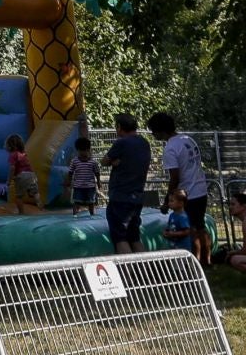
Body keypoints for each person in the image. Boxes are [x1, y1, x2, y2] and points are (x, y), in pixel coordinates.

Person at [150, 112, 213, 264]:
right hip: (201, 190)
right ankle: (207, 260)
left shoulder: (171, 148)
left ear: (161, 130)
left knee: (191, 230)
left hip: (188, 194)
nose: (153, 134)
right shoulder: (188, 140)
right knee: (200, 227)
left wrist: (167, 200)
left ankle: (195, 263)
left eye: (153, 131)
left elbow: (175, 177)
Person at [102, 113, 152, 252]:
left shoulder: (121, 143)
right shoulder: (144, 142)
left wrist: (113, 161)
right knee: (134, 237)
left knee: (120, 238)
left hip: (120, 196)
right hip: (137, 195)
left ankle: (127, 272)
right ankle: (144, 269)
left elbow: (104, 161)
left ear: (119, 127)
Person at [3, 134, 42, 214]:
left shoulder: (13, 155)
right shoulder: (24, 154)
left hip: (21, 176)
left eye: (6, 144)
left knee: (19, 196)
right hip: (31, 175)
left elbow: (12, 168)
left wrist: (9, 180)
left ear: (10, 147)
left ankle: (21, 212)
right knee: (35, 192)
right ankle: (38, 201)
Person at [68, 137, 101, 215]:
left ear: (88, 150)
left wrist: (99, 182)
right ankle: (75, 215)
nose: (83, 153)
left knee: (91, 202)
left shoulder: (93, 162)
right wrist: (69, 181)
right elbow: (70, 172)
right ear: (78, 150)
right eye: (81, 151)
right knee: (76, 201)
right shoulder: (74, 161)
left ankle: (92, 215)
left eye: (85, 150)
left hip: (90, 186)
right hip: (78, 186)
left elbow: (97, 172)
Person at [164, 190, 197, 264]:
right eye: (169, 201)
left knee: (182, 265)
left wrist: (172, 234)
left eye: (172, 201)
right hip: (174, 247)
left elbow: (187, 231)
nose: (169, 203)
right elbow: (169, 226)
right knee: (175, 265)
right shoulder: (172, 215)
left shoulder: (182, 217)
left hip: (183, 248)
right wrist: (166, 231)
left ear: (181, 203)